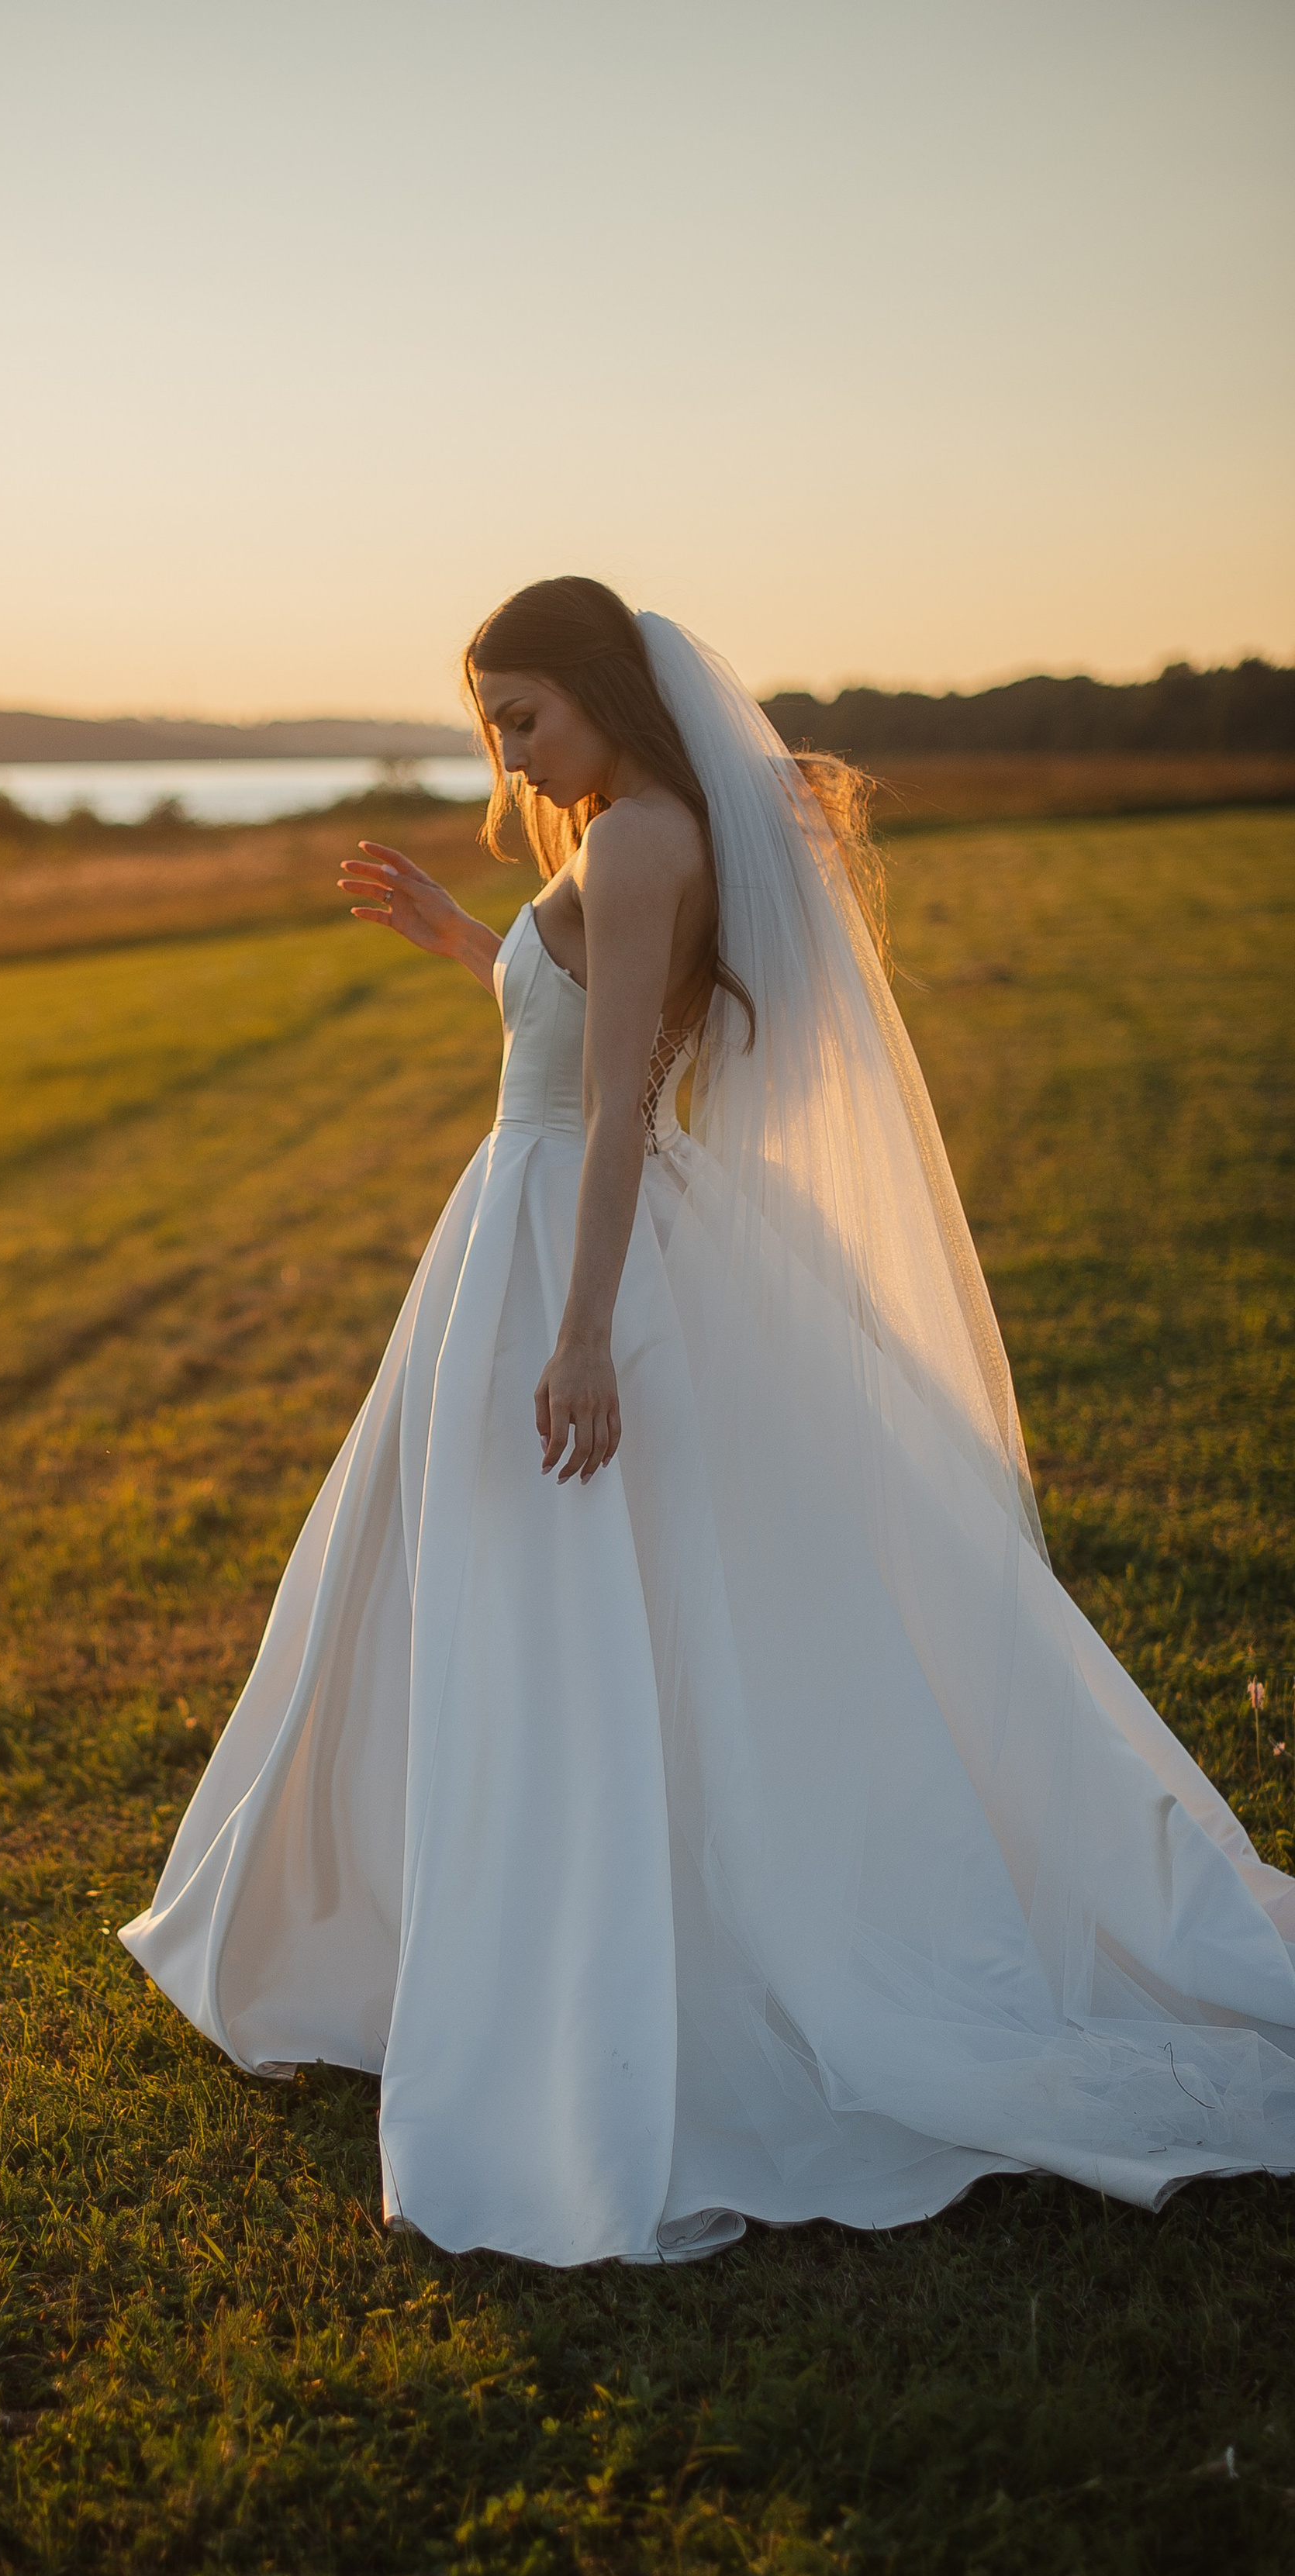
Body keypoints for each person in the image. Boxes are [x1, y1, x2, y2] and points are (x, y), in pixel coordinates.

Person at [120, 578, 1295, 2266]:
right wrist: (465, 938)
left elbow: (609, 1102)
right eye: (487, 723)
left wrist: (585, 1328)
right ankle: (427, 1937)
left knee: (555, 1587)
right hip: (518, 1223)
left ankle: (584, 1959)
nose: (506, 749)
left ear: (604, 690)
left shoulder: (648, 836)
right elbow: (560, 1024)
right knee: (456, 1578)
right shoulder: (614, 834)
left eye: (523, 714)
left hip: (565, 1243)